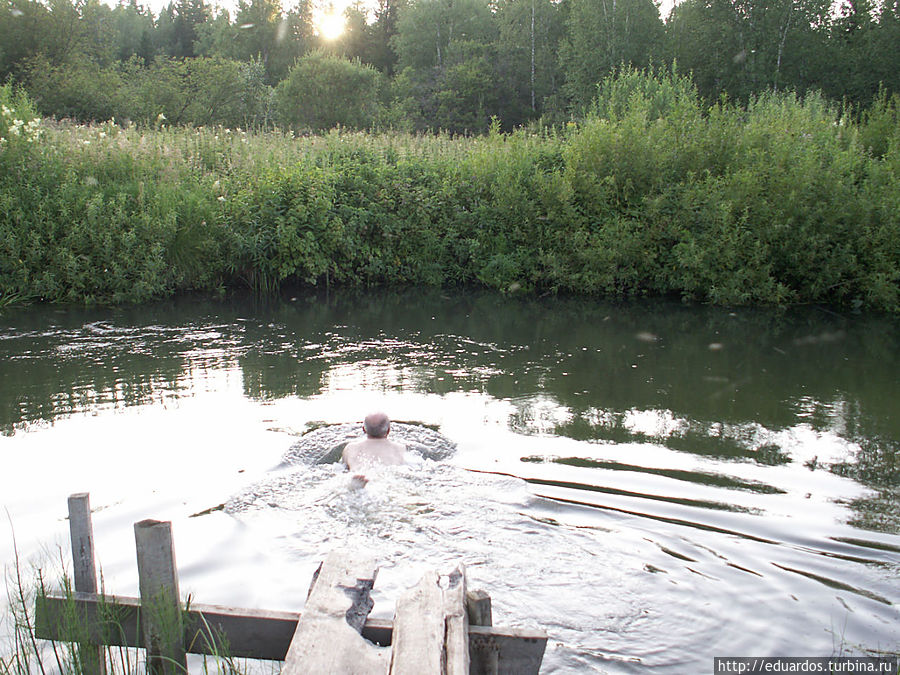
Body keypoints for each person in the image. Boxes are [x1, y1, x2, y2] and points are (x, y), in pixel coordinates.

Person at [342, 412, 407, 486]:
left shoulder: (351, 448)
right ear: (389, 430)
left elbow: (342, 469)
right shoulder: (400, 448)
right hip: (387, 479)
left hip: (359, 473)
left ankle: (356, 485)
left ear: (364, 429)